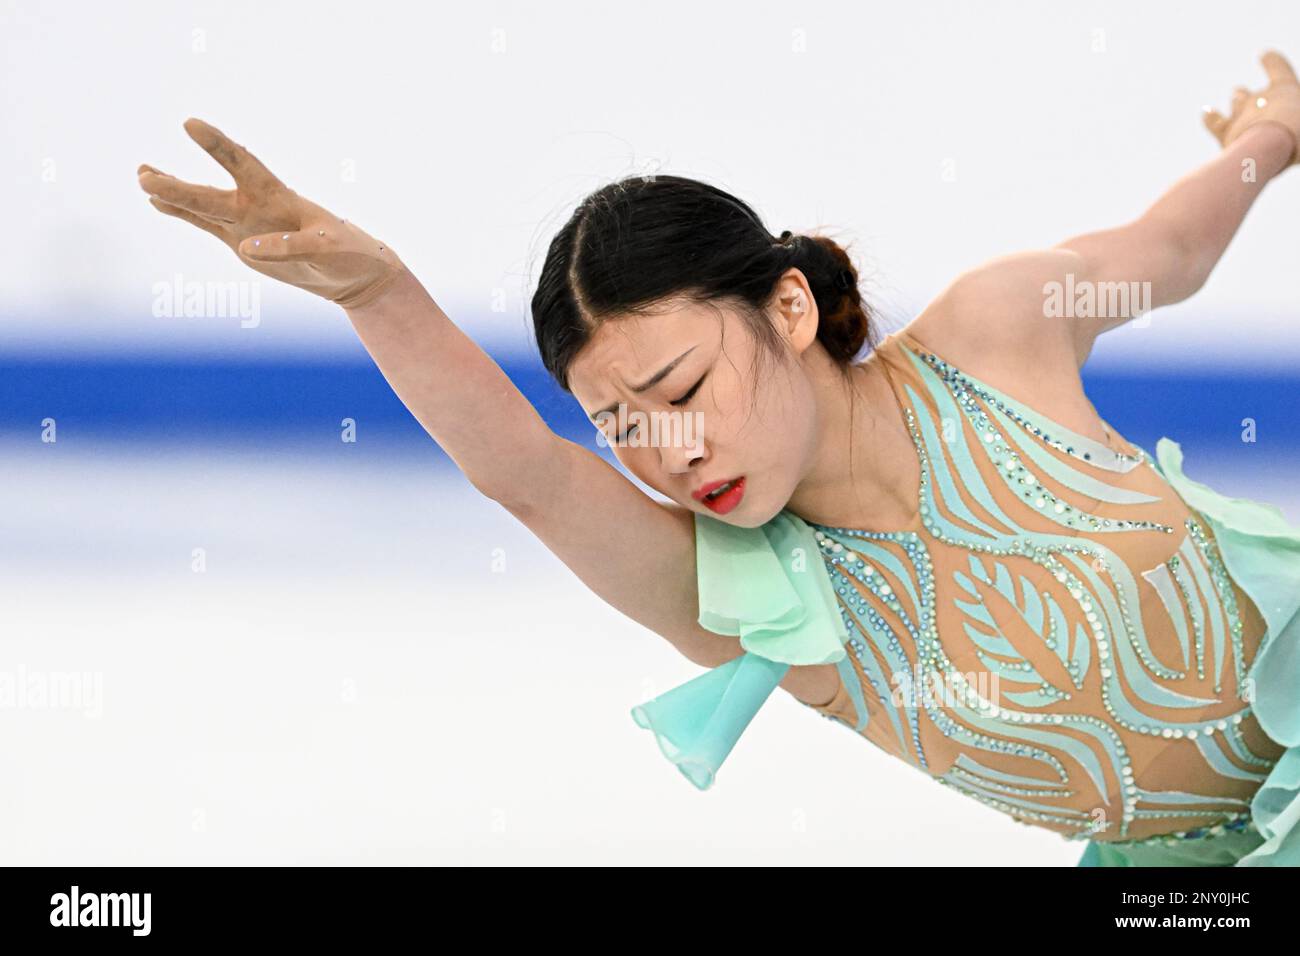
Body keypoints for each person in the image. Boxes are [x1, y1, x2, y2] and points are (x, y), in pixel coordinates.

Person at [137, 50, 1300, 866]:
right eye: (625, 425)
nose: (669, 450)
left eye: (683, 389)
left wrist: (1272, 134)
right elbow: (527, 475)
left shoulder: (992, 334)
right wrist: (382, 295)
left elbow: (1173, 247)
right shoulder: (759, 606)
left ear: (788, 308)